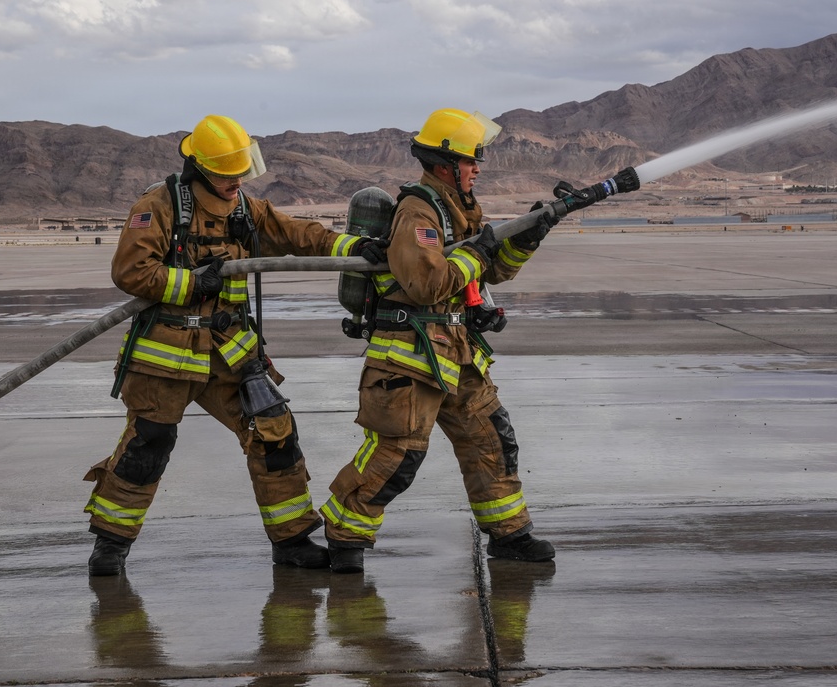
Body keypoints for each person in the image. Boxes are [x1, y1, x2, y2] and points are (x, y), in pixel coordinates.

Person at [83, 114, 386, 576]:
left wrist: (354, 248)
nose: (235, 181)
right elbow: (130, 272)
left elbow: (299, 234)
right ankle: (110, 546)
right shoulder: (161, 205)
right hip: (165, 352)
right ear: (201, 167)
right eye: (226, 174)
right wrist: (189, 282)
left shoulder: (246, 208)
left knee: (275, 434)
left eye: (240, 171)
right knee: (149, 444)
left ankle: (291, 541)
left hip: (230, 351)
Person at [321, 108, 558, 573]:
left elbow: (492, 270)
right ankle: (344, 537)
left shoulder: (458, 209)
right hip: (410, 355)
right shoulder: (418, 211)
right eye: (472, 161)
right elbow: (427, 284)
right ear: (446, 164)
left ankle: (510, 534)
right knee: (397, 455)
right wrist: (477, 254)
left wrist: (528, 236)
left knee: (491, 439)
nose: (477, 168)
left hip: (456, 350)